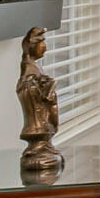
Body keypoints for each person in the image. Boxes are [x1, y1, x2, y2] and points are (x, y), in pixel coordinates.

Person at [17, 25, 62, 174]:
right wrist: (45, 88)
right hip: (37, 122)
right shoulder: (28, 68)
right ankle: (39, 146)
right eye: (42, 44)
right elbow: (26, 89)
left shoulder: (34, 67)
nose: (45, 48)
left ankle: (44, 145)